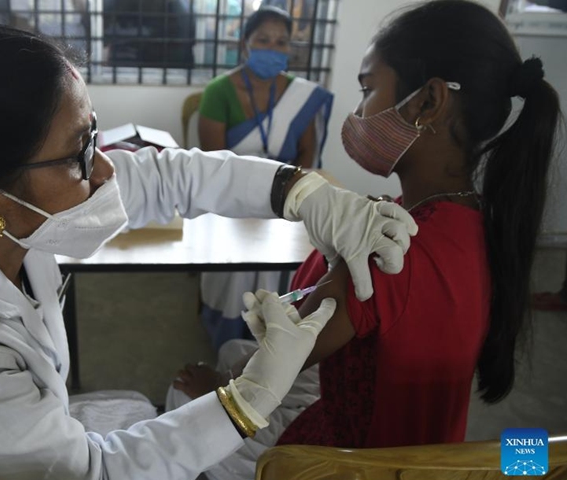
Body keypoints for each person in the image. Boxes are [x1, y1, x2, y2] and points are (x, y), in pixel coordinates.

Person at [0, 24, 419, 480]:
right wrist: (248, 398)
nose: (106, 168)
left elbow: (169, 176)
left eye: (95, 136)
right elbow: (98, 471)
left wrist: (302, 190)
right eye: (79, 153)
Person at [170, 1, 561, 478]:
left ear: (426, 103)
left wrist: (216, 383)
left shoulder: (384, 252)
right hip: (436, 452)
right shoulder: (481, 222)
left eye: (367, 89)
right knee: (235, 352)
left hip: (349, 463)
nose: (357, 113)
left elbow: (278, 364)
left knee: (189, 391)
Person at [199, 6, 335, 350]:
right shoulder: (218, 91)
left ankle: (279, 331)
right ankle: (229, 333)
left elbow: (308, 155)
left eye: (281, 42)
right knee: (236, 267)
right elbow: (215, 161)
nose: (272, 49)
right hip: (232, 193)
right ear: (245, 44)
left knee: (297, 255)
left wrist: (287, 197)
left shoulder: (301, 96)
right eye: (263, 40)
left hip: (286, 194)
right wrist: (250, 197)